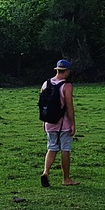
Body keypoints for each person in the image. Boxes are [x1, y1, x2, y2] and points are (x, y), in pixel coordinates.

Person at [41, 59, 79, 187]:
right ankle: (66, 179)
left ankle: (46, 172)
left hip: (49, 122)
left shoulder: (45, 84)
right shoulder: (67, 86)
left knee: (51, 148)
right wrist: (73, 123)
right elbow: (69, 106)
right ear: (67, 71)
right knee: (65, 149)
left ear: (57, 69)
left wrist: (44, 121)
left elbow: (42, 105)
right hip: (64, 123)